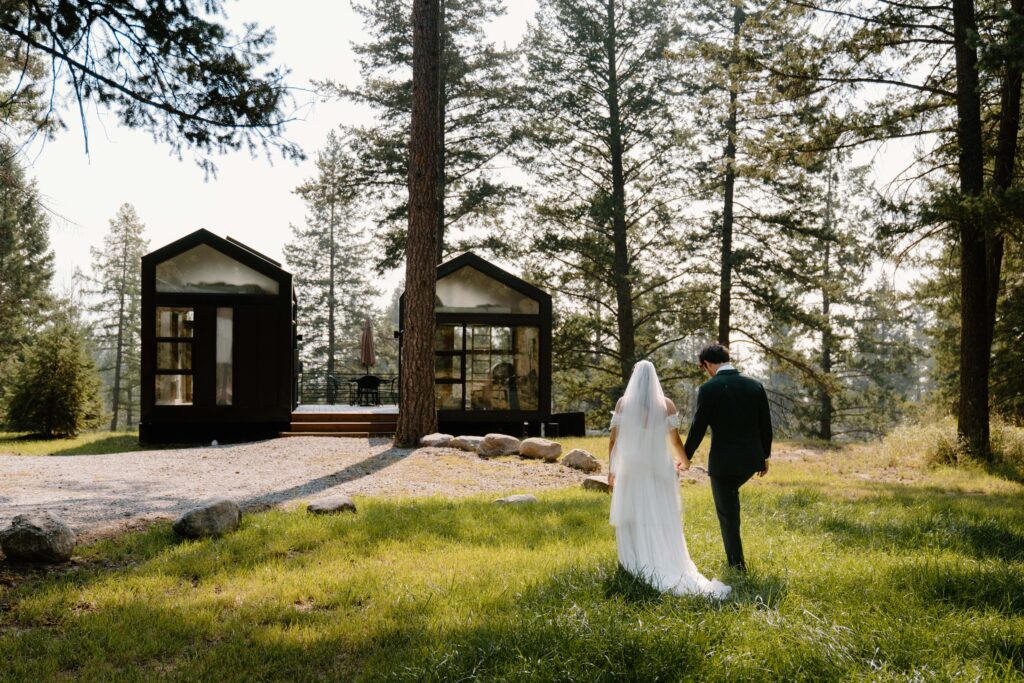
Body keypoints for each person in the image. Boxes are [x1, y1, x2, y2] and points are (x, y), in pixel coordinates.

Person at [608, 360, 731, 598]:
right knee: (660, 515)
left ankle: (634, 561)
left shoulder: (623, 404)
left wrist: (612, 469)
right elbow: (674, 441)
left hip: (632, 469)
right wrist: (684, 462)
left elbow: (614, 440)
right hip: (658, 468)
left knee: (632, 513)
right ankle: (664, 557)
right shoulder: (666, 405)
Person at [683, 343, 773, 572]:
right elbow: (766, 425)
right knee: (731, 501)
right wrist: (765, 456)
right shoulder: (755, 385)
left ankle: (737, 566)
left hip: (724, 465)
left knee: (728, 515)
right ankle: (736, 563)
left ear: (708, 364)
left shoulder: (708, 389)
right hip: (751, 460)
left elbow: (698, 428)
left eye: (704, 368)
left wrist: (686, 456)